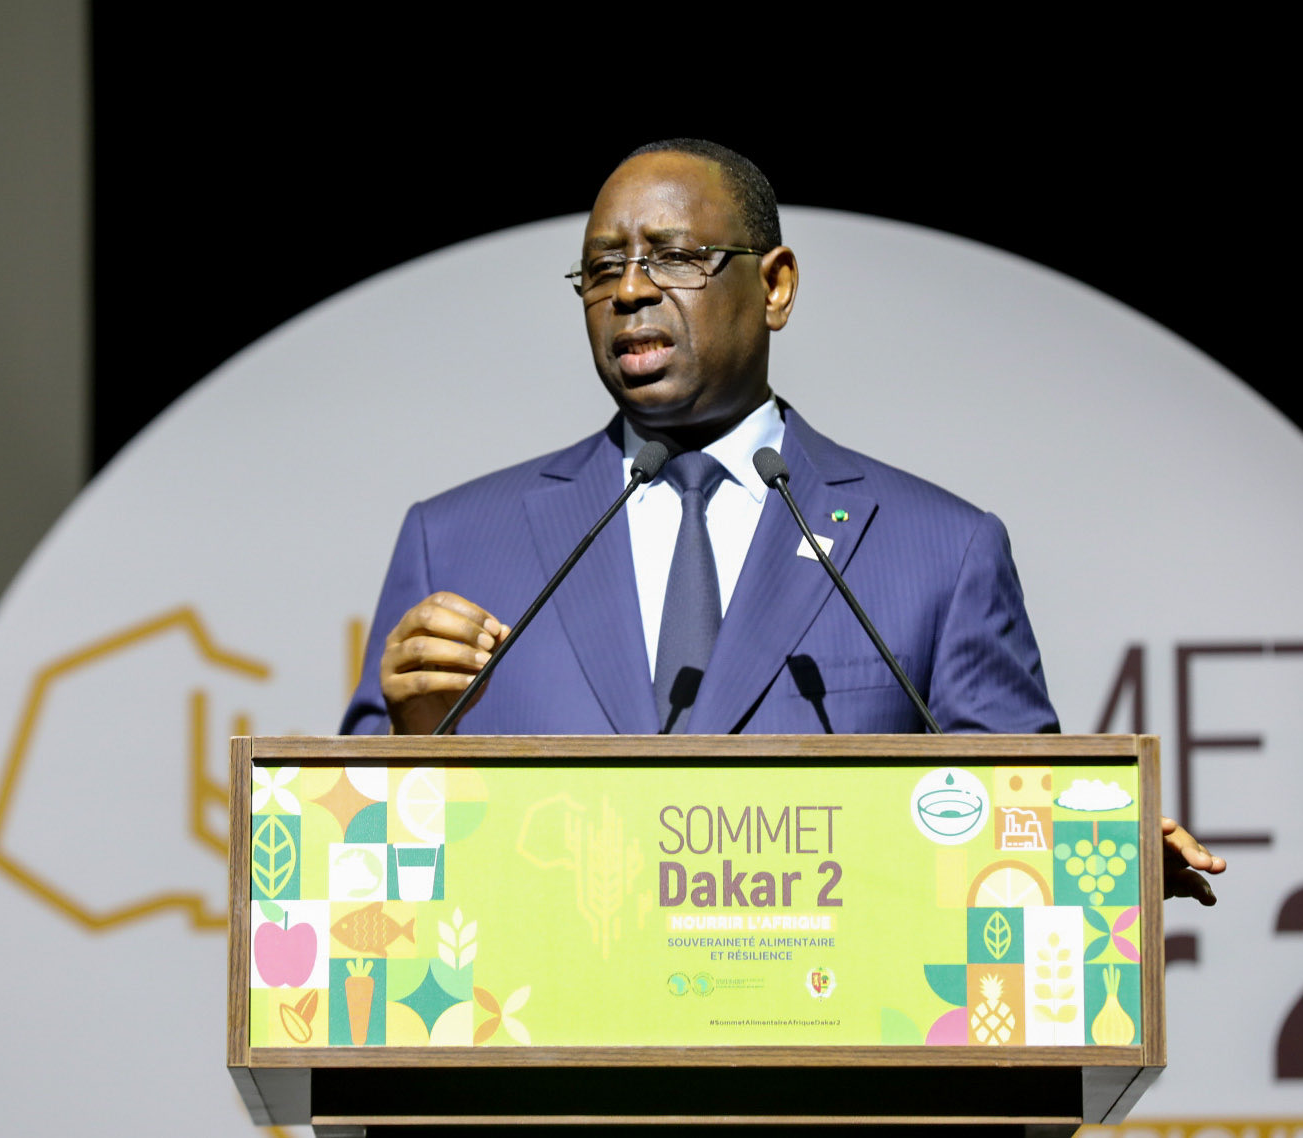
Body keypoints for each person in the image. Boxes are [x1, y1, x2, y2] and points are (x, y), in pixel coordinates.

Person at [341, 138, 1225, 903]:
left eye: (674, 257)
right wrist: (416, 740)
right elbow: (351, 861)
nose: (630, 290)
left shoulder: (939, 550)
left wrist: (1092, 855)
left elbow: (1016, 817)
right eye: (603, 268)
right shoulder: (453, 542)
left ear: (774, 286)